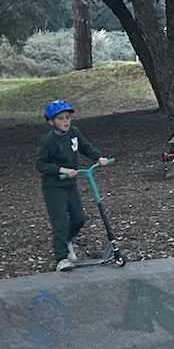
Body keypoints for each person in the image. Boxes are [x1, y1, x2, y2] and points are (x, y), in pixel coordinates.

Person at [34, 99, 113, 271]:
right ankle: (61, 258)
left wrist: (98, 157)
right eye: (61, 118)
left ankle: (66, 241)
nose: (65, 121)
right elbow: (40, 164)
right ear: (51, 122)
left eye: (67, 118)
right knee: (60, 223)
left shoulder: (74, 133)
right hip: (53, 187)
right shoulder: (48, 141)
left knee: (79, 218)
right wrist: (61, 169)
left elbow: (85, 147)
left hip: (70, 185)